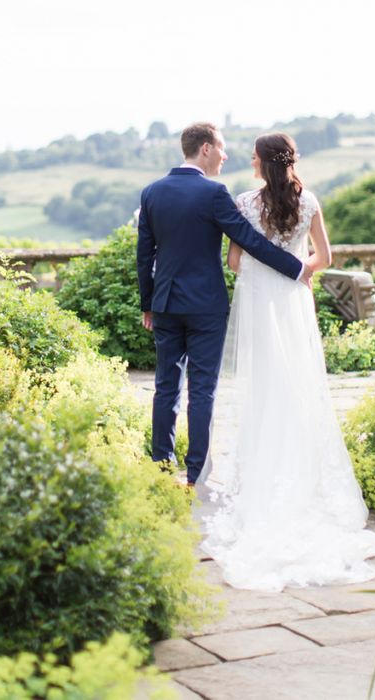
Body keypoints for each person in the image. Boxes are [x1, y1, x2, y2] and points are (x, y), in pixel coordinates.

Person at [201, 132, 375, 592]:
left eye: (251, 157)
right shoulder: (309, 202)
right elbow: (324, 257)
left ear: (263, 163)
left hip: (262, 298)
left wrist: (266, 271)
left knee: (263, 386)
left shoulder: (245, 203)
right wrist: (298, 270)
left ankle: (262, 482)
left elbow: (234, 262)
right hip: (293, 299)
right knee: (300, 384)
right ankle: (303, 480)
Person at [137, 122, 313, 487]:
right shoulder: (214, 194)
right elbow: (250, 240)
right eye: (221, 148)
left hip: (165, 303)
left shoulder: (152, 192)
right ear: (205, 149)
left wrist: (147, 304)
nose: (225, 155)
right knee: (202, 389)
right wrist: (296, 268)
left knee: (165, 386)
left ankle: (160, 467)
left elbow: (144, 257)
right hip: (205, 307)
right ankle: (196, 473)